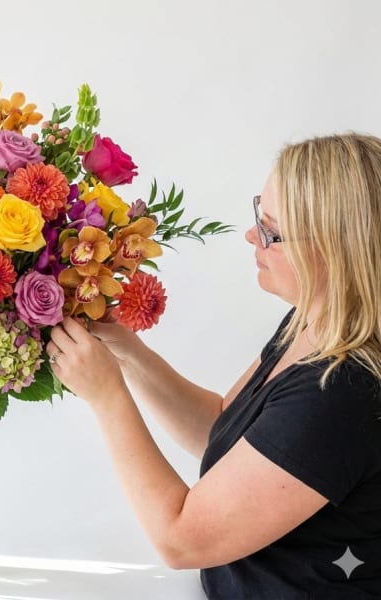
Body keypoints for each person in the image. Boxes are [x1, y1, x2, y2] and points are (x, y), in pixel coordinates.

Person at [48, 133, 381, 599]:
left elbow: (183, 540)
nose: (251, 236)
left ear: (333, 251)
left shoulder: (341, 391)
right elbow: (227, 430)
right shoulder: (312, 322)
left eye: (271, 231)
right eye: (258, 215)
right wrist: (130, 354)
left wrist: (107, 398)